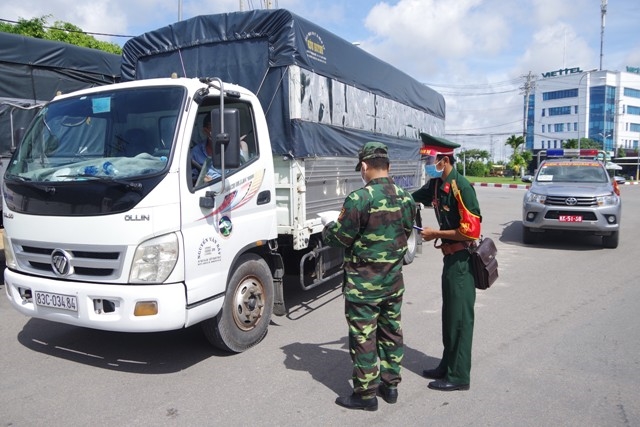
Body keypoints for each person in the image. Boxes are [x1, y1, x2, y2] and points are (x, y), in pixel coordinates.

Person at [322, 142, 416, 411]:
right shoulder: (406, 198)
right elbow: (405, 234)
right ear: (388, 166)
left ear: (364, 166)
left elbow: (340, 238)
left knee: (364, 338)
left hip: (364, 286)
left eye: (360, 169)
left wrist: (328, 227)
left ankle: (365, 396)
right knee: (391, 333)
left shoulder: (359, 199)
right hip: (393, 283)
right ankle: (391, 385)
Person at [411, 133, 482, 392]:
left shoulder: (461, 187)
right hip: (450, 259)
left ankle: (459, 375)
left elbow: (471, 232)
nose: (427, 163)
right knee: (450, 316)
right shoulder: (436, 185)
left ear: (443, 159)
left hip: (463, 260)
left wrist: (435, 234)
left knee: (460, 319)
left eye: (430, 159)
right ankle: (447, 364)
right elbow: (411, 198)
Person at [191, 113, 250, 183]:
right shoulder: (196, 152)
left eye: (222, 127)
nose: (220, 132)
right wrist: (202, 180)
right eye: (215, 128)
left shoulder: (237, 148)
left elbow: (246, 174)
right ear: (205, 131)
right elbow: (192, 179)